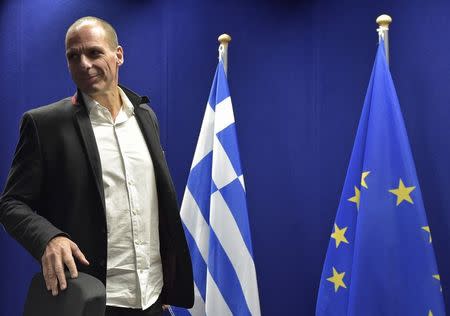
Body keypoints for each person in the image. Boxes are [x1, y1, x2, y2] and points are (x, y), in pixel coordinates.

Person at [0, 16, 193, 315]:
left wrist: (164, 275)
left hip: (153, 297)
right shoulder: (45, 124)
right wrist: (49, 238)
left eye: (94, 52)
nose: (84, 64)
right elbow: (11, 203)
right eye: (73, 56)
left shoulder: (145, 116)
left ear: (119, 55)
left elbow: (154, 202)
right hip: (92, 300)